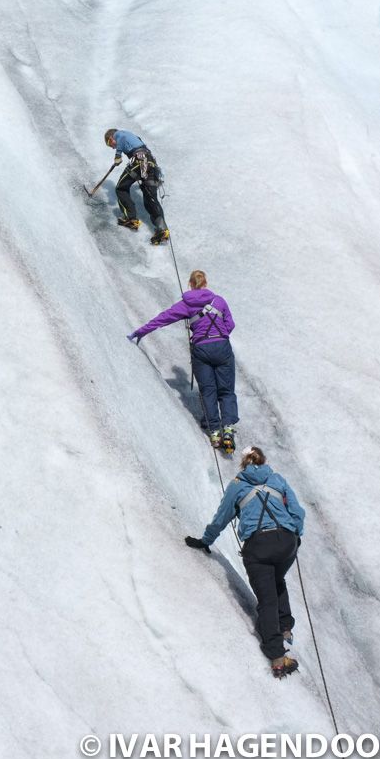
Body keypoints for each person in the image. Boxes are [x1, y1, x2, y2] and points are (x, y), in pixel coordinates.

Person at [184, 446, 305, 678]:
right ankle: (285, 626)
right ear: (263, 460)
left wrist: (205, 540)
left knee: (267, 597)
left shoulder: (237, 485)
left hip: (258, 545)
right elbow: (297, 512)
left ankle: (277, 657)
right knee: (277, 578)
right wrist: (295, 536)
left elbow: (222, 517)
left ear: (243, 463)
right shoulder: (277, 479)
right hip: (286, 541)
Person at [126, 270, 239, 451]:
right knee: (226, 391)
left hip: (201, 349)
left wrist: (141, 331)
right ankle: (228, 430)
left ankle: (215, 433)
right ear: (205, 282)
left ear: (190, 284)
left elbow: (163, 318)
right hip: (222, 346)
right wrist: (221, 334)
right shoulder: (219, 301)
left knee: (208, 391)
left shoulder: (186, 304)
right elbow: (230, 324)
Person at [104, 128, 169, 245]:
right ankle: (162, 230)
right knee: (150, 198)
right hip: (150, 164)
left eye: (110, 144)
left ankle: (131, 218)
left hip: (139, 161)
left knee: (120, 188)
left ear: (111, 138)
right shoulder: (134, 137)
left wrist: (118, 155)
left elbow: (121, 139)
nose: (113, 147)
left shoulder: (119, 134)